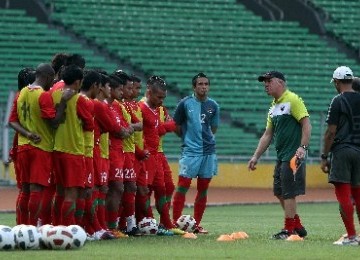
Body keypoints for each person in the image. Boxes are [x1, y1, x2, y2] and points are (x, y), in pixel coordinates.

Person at [247, 71, 311, 240]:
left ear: (281, 83)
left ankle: (289, 230)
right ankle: (296, 224)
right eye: (264, 82)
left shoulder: (293, 100)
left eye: (269, 81)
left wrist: (302, 147)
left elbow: (306, 125)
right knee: (279, 191)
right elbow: (268, 134)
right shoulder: (273, 107)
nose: (265, 84)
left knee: (289, 192)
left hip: (293, 155)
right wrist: (256, 156)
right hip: (281, 156)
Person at [8, 63, 74, 226]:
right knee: (37, 190)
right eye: (52, 79)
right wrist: (63, 102)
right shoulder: (43, 95)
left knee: (25, 190)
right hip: (41, 148)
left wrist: (27, 134)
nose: (52, 84)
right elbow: (53, 122)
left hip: (24, 147)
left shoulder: (22, 93)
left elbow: (12, 121)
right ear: (46, 76)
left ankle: (21, 227)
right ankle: (31, 228)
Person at [172, 72, 220, 234]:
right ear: (194, 87)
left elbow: (213, 128)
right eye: (200, 84)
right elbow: (176, 126)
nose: (203, 87)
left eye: (206, 84)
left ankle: (196, 225)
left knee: (203, 188)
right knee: (182, 186)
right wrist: (188, 139)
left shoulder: (213, 106)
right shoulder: (184, 104)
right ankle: (175, 223)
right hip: (191, 152)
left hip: (208, 153)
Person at [320, 66, 360, 246]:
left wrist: (324, 156)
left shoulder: (338, 101)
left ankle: (351, 236)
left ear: (336, 82)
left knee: (343, 194)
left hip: (342, 151)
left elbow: (331, 132)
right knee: (358, 194)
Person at [140, 75, 184, 235]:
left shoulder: (161, 109)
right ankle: (149, 221)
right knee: (146, 189)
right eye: (159, 97)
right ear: (149, 93)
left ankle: (165, 222)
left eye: (163, 97)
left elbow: (171, 125)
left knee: (167, 186)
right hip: (147, 155)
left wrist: (163, 127)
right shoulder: (141, 108)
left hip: (159, 153)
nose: (162, 101)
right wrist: (164, 127)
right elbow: (157, 130)